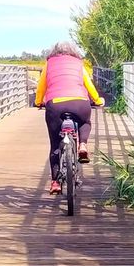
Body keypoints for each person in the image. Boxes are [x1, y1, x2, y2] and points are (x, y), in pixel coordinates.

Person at [34, 41, 104, 195]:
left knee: (55, 145)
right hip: (79, 103)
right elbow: (89, 85)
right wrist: (98, 100)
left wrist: (38, 102)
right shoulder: (79, 64)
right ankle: (83, 145)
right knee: (85, 122)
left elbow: (41, 87)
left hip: (55, 105)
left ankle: (55, 182)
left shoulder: (49, 64)